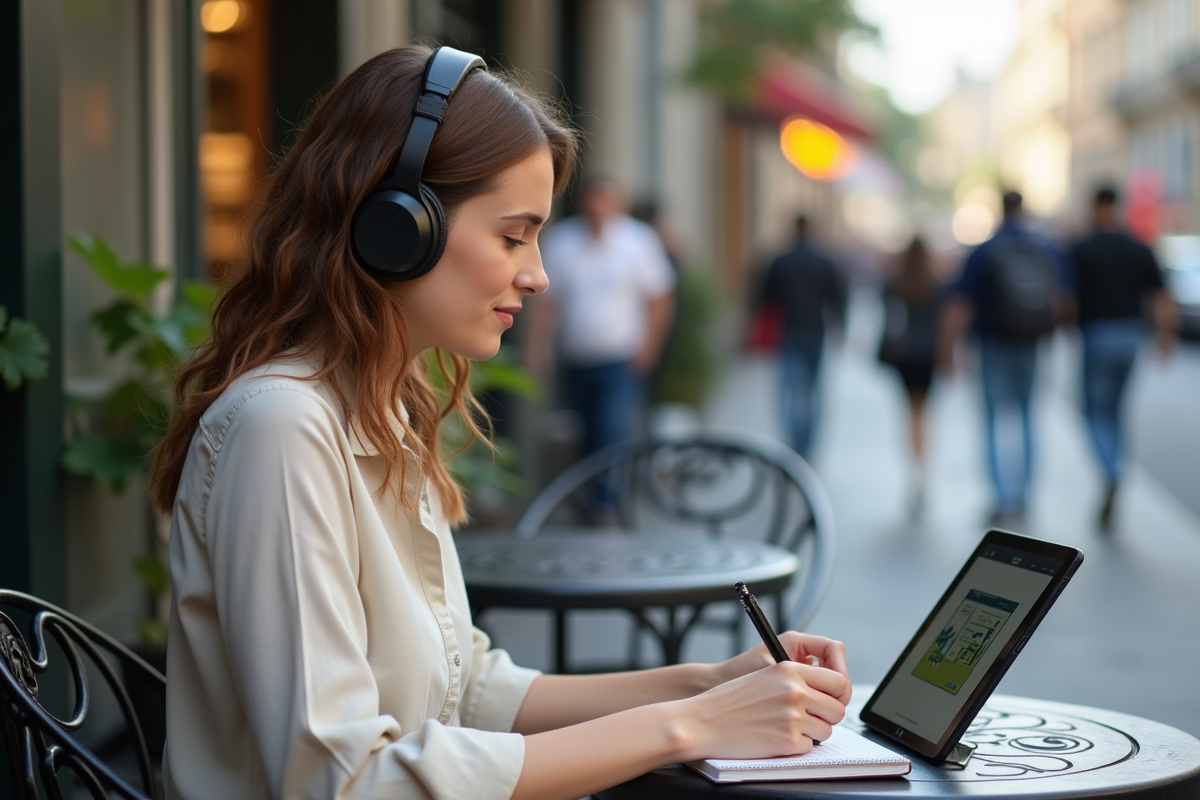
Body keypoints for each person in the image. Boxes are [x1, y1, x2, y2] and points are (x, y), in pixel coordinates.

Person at [149, 45, 851, 800]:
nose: (539, 273)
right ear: (396, 227)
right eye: (514, 235)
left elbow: (470, 687)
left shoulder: (379, 409)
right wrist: (693, 728)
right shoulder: (284, 428)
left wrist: (706, 685)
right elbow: (344, 781)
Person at [940, 190, 1073, 525]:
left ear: (1000, 210)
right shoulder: (1047, 248)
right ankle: (1025, 496)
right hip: (1031, 345)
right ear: (1024, 210)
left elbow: (959, 306)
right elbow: (1064, 301)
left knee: (992, 422)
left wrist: (947, 350)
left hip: (992, 346)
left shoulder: (985, 251)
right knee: (1029, 417)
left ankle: (1002, 499)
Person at [526, 178, 676, 464]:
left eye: (605, 200)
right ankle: (592, 501)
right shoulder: (561, 241)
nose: (598, 207)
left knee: (613, 430)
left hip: (621, 355)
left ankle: (607, 502)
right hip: (576, 356)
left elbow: (660, 298)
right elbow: (548, 302)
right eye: (593, 200)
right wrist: (538, 347)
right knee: (583, 432)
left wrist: (650, 346)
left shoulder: (638, 241)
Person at [1069, 186, 1178, 527]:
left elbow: (1066, 297)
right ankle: (1117, 468)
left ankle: (1110, 469)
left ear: (1094, 207)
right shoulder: (1138, 247)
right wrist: (1165, 337)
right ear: (1116, 207)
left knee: (1094, 412)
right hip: (1131, 336)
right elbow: (1161, 298)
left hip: (1097, 336)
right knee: (1116, 411)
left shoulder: (1082, 248)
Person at [756, 214, 847, 458]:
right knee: (813, 391)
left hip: (790, 330)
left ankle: (794, 440)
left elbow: (764, 298)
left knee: (790, 389)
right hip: (816, 330)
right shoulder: (824, 261)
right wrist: (840, 329)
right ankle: (807, 443)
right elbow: (838, 298)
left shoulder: (781, 260)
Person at [878, 236, 947, 517]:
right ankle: (922, 468)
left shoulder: (894, 284)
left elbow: (888, 320)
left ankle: (915, 469)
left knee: (910, 412)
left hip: (903, 356)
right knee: (923, 413)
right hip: (929, 355)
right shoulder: (938, 286)